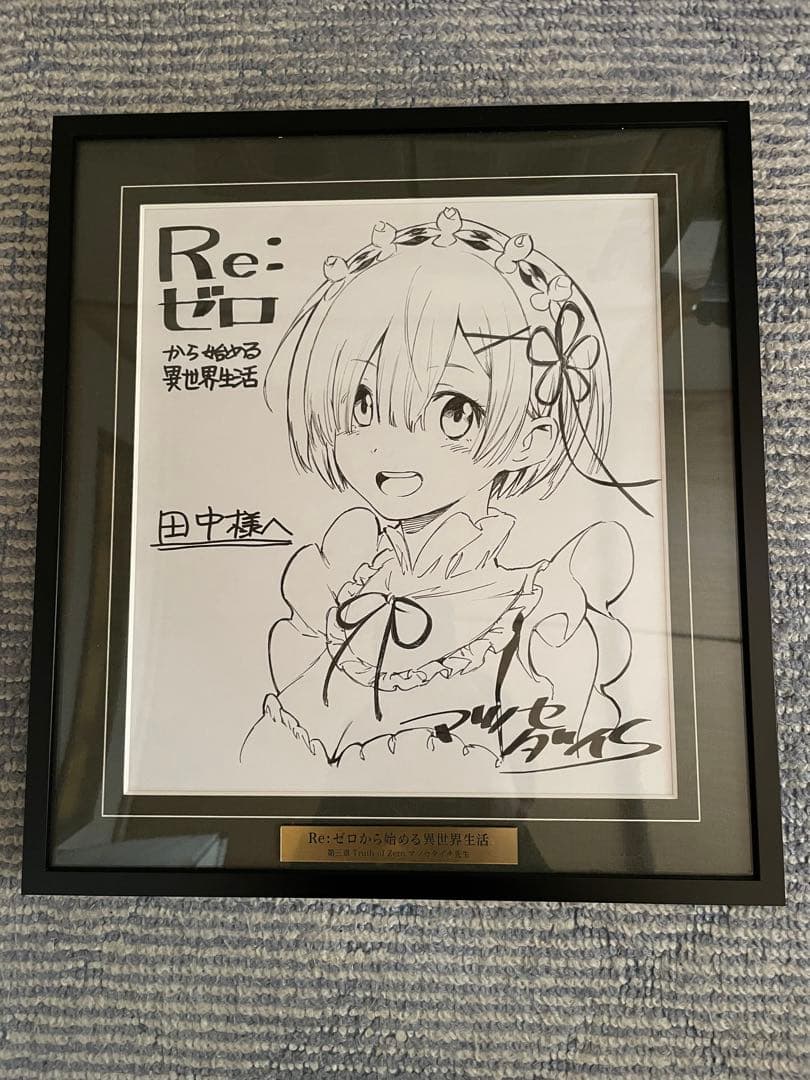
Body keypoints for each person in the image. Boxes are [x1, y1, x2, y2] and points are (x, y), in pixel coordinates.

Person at [242, 208, 653, 773]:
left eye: (454, 411)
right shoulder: (329, 598)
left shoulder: (539, 621)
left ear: (531, 440)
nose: (388, 445)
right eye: (363, 404)